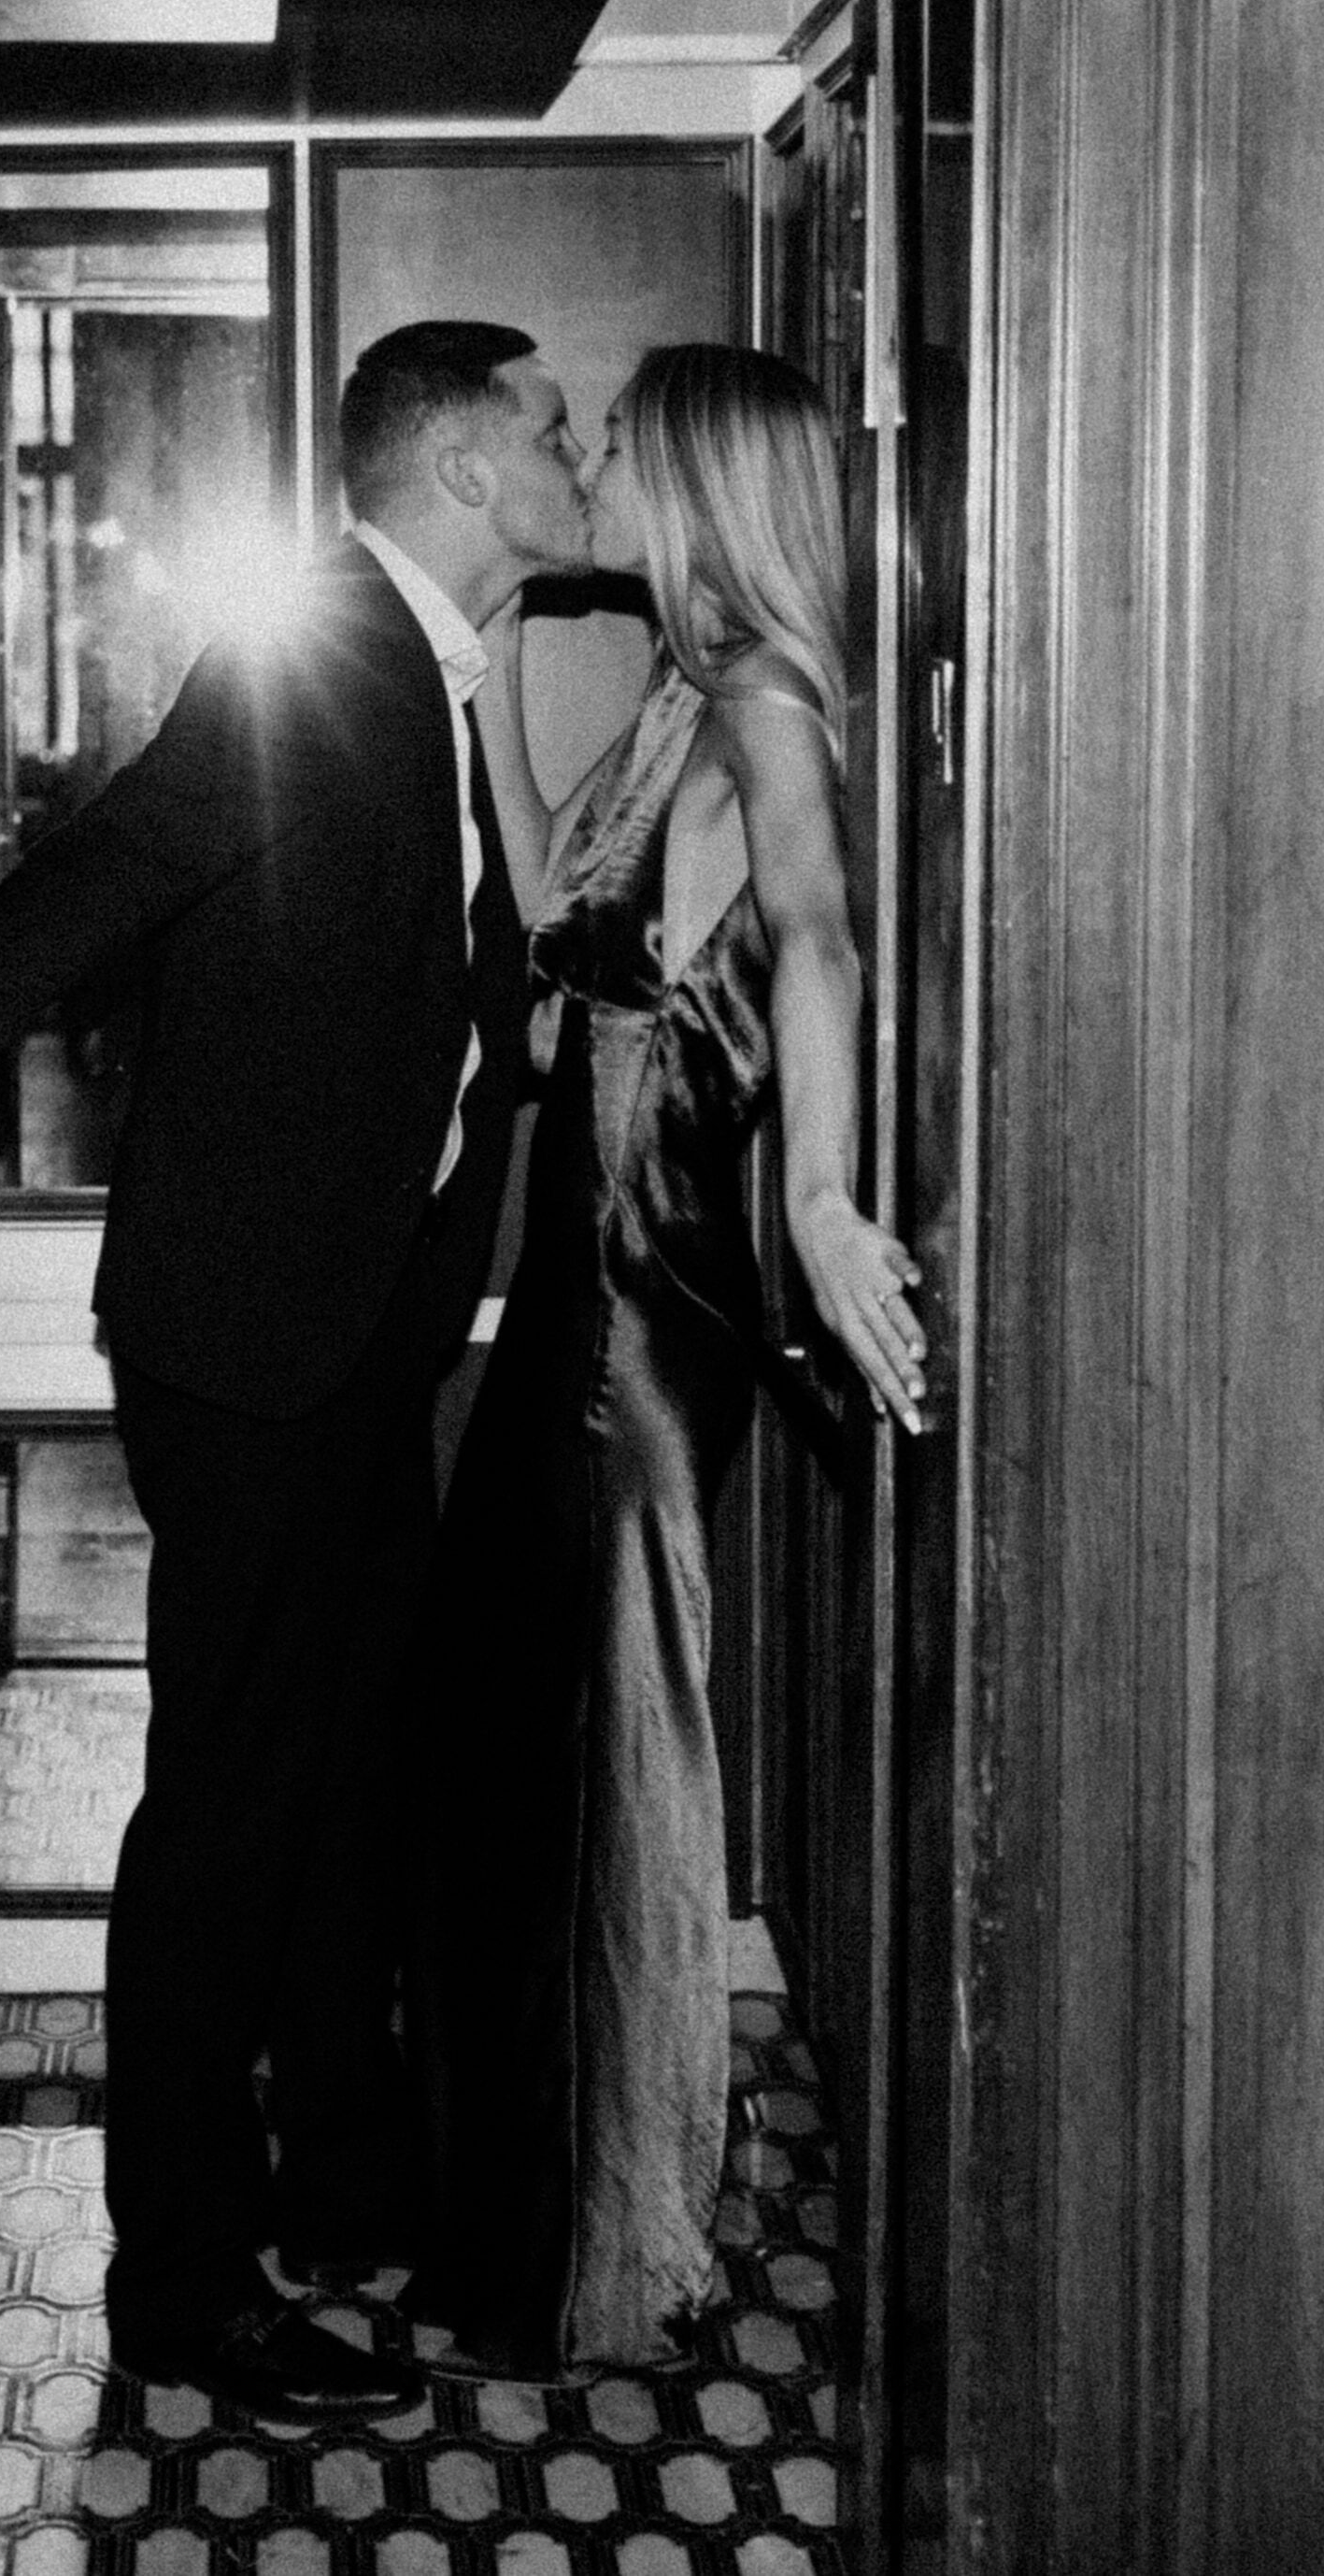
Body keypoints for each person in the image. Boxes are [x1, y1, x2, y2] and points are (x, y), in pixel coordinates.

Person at [0, 319, 598, 2425]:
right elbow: (111, 863)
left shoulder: (434, 673)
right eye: (553, 427)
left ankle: (335, 2186)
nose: (581, 455)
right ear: (462, 466)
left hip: (353, 1338)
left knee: (337, 1778)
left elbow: (452, 998)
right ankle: (181, 2284)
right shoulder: (318, 651)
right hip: (252, 1349)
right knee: (230, 1811)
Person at [408, 340, 930, 2378]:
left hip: (639, 1322)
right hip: (571, 1300)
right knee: (498, 1748)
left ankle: (600, 2244)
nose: (596, 465)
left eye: (622, 443)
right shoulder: (678, 695)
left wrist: (823, 1197)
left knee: (612, 1760)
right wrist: (489, 668)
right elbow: (556, 891)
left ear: (702, 482)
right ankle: (513, 2211)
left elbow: (819, 939)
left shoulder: (769, 704)